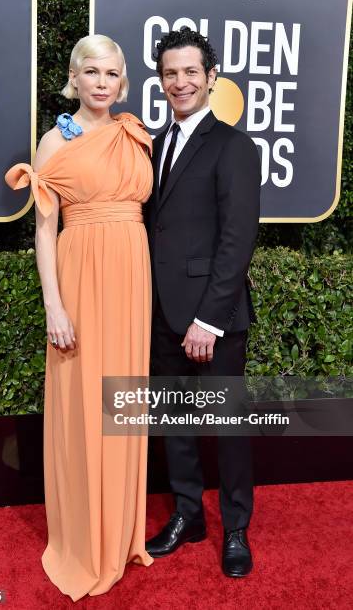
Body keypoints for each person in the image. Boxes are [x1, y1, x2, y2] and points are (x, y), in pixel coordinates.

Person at [5, 34, 154, 601]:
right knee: (83, 404)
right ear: (74, 77)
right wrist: (54, 304)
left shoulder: (135, 133)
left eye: (112, 74)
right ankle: (83, 540)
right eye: (91, 72)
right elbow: (45, 230)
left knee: (124, 401)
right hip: (81, 275)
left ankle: (119, 535)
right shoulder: (54, 142)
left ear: (122, 81)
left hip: (131, 278)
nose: (101, 83)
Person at [144, 28, 261, 577]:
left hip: (214, 318)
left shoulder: (234, 145)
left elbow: (237, 239)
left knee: (230, 426)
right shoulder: (156, 141)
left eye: (191, 71)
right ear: (161, 80)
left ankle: (236, 527)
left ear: (211, 78)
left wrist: (208, 321)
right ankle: (189, 514)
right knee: (176, 421)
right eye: (170, 73)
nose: (180, 82)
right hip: (161, 310)